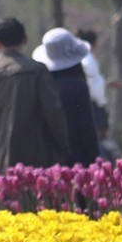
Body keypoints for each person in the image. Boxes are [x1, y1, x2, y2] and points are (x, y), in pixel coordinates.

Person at [0, 18, 68, 168]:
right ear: (25, 39)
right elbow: (53, 113)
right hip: (35, 163)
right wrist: (63, 146)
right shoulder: (38, 71)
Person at [33, 28, 100, 166]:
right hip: (77, 159)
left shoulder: (40, 84)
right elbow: (87, 129)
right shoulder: (78, 86)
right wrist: (95, 161)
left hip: (47, 159)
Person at [75, 28, 122, 161]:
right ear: (92, 45)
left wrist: (106, 83)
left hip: (89, 106)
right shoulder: (88, 61)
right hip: (94, 108)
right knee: (99, 143)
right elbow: (93, 89)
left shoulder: (82, 59)